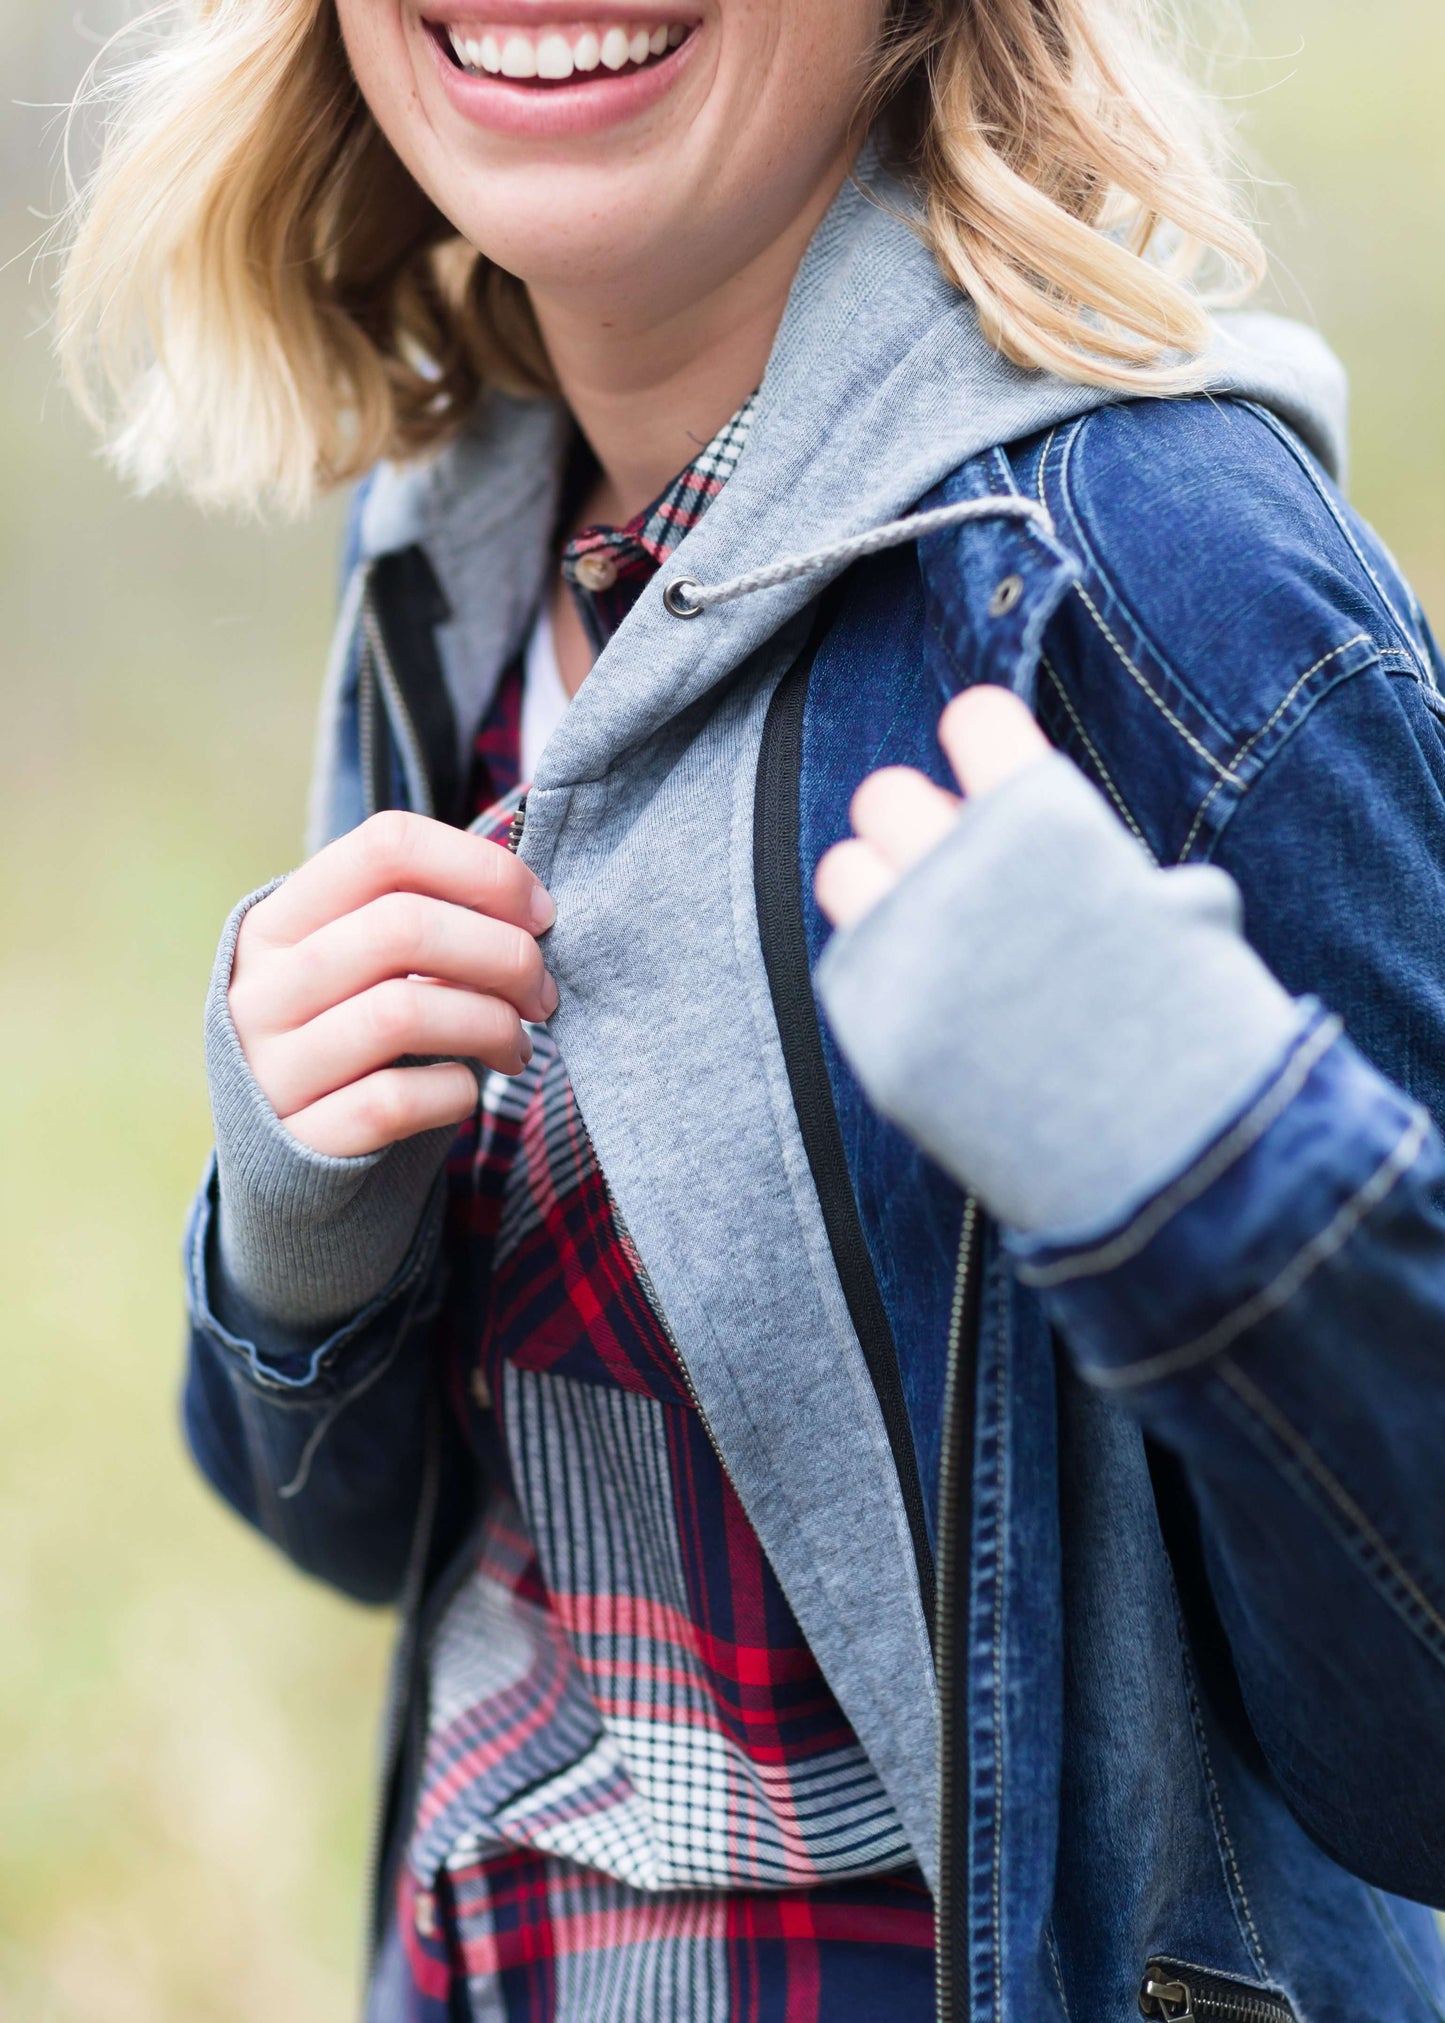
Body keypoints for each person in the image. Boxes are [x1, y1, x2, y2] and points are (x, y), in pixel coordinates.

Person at [59, 0, 1445, 2015]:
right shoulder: (452, 545)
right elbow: (363, 1535)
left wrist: (1209, 1173)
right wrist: (291, 1220)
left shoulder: (1165, 580)